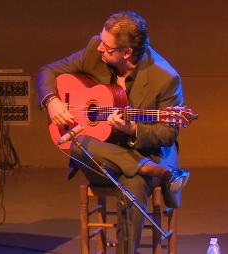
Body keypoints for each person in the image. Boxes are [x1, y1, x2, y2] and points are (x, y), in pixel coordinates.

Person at [37, 11, 189, 253]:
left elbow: (168, 134)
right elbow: (47, 71)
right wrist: (52, 101)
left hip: (145, 151)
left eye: (107, 47)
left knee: (134, 185)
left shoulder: (166, 78)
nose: (99, 49)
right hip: (100, 159)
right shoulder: (94, 50)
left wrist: (132, 129)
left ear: (126, 53)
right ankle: (153, 170)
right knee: (78, 144)